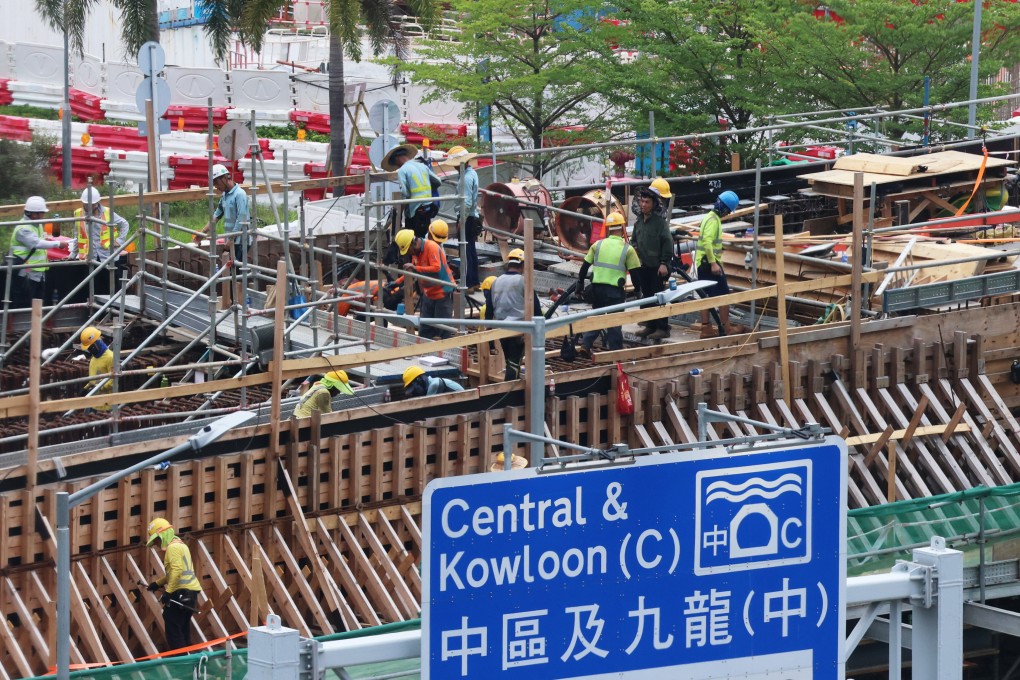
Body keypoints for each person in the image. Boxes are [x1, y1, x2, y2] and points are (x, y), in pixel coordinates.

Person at [577, 212, 641, 354]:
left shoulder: (598, 245)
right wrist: (638, 290)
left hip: (597, 288)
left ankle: (586, 344)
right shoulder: (627, 249)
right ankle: (615, 352)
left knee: (598, 317)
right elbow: (635, 274)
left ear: (607, 228)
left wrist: (580, 283)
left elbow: (585, 266)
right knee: (614, 321)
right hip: (615, 291)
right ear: (622, 228)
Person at [145, 517, 203, 655]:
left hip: (181, 593)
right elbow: (174, 573)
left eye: (157, 540)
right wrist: (157, 584)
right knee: (182, 628)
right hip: (191, 593)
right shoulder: (181, 545)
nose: (157, 545)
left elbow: (177, 571)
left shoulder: (172, 548)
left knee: (172, 625)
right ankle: (190, 663)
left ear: (163, 535)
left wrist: (168, 592)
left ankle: (181, 662)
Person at [485, 249, 541, 380]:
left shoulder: (495, 282)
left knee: (510, 360)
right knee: (514, 364)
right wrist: (540, 327)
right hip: (519, 330)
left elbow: (489, 310)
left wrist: (490, 338)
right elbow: (536, 308)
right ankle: (509, 394)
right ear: (522, 265)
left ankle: (508, 390)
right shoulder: (523, 281)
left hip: (502, 330)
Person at [630, 182, 673, 341]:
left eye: (647, 202)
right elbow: (634, 240)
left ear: (654, 204)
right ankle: (650, 325)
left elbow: (667, 243)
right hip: (644, 266)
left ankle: (662, 327)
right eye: (642, 201)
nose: (643, 204)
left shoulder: (660, 223)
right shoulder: (639, 222)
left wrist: (664, 263)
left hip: (657, 267)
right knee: (647, 295)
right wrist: (634, 249)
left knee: (659, 296)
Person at [395, 228, 456, 339]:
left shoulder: (431, 247)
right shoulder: (416, 253)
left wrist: (415, 267)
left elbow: (436, 267)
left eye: (408, 250)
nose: (408, 253)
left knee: (442, 327)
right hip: (429, 292)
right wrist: (396, 283)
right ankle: (424, 351)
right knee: (425, 327)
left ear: (412, 245)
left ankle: (444, 353)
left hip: (442, 291)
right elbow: (412, 271)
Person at [9, 196, 69, 307]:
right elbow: (37, 244)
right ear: (34, 214)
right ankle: (25, 324)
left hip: (37, 271)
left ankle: (36, 323)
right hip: (26, 273)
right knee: (25, 302)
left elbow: (41, 240)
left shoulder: (37, 224)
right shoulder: (23, 228)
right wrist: (58, 244)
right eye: (42, 213)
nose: (44, 216)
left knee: (37, 301)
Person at [696, 190, 739, 337]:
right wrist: (714, 263)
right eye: (728, 211)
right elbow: (707, 242)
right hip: (709, 263)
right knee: (724, 295)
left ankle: (706, 328)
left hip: (703, 262)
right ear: (725, 208)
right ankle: (726, 328)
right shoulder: (714, 221)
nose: (727, 214)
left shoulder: (709, 217)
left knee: (706, 295)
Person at [439, 146, 481, 288]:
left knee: (465, 251)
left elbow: (467, 202)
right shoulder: (471, 174)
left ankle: (469, 283)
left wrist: (461, 221)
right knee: (470, 250)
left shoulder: (466, 178)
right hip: (471, 216)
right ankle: (474, 281)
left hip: (467, 217)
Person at [382, 144, 439, 238]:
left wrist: (398, 217)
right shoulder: (422, 166)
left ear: (397, 158)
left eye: (395, 163)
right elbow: (437, 181)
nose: (397, 166)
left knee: (412, 242)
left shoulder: (403, 170)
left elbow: (405, 194)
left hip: (415, 211)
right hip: (428, 209)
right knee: (422, 240)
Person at [195, 164, 250, 260]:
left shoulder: (239, 194)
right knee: (231, 269)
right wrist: (202, 233)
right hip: (230, 238)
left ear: (225, 178)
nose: (216, 187)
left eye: (216, 182)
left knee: (237, 269)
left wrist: (231, 239)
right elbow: (216, 215)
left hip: (241, 239)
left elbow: (241, 218)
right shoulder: (225, 195)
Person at [77, 326, 114, 409]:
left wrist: (97, 388)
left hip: (106, 406)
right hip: (94, 403)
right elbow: (93, 379)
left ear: (96, 343)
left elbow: (113, 381)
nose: (90, 350)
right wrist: (86, 388)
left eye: (90, 347)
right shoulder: (94, 358)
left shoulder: (110, 357)